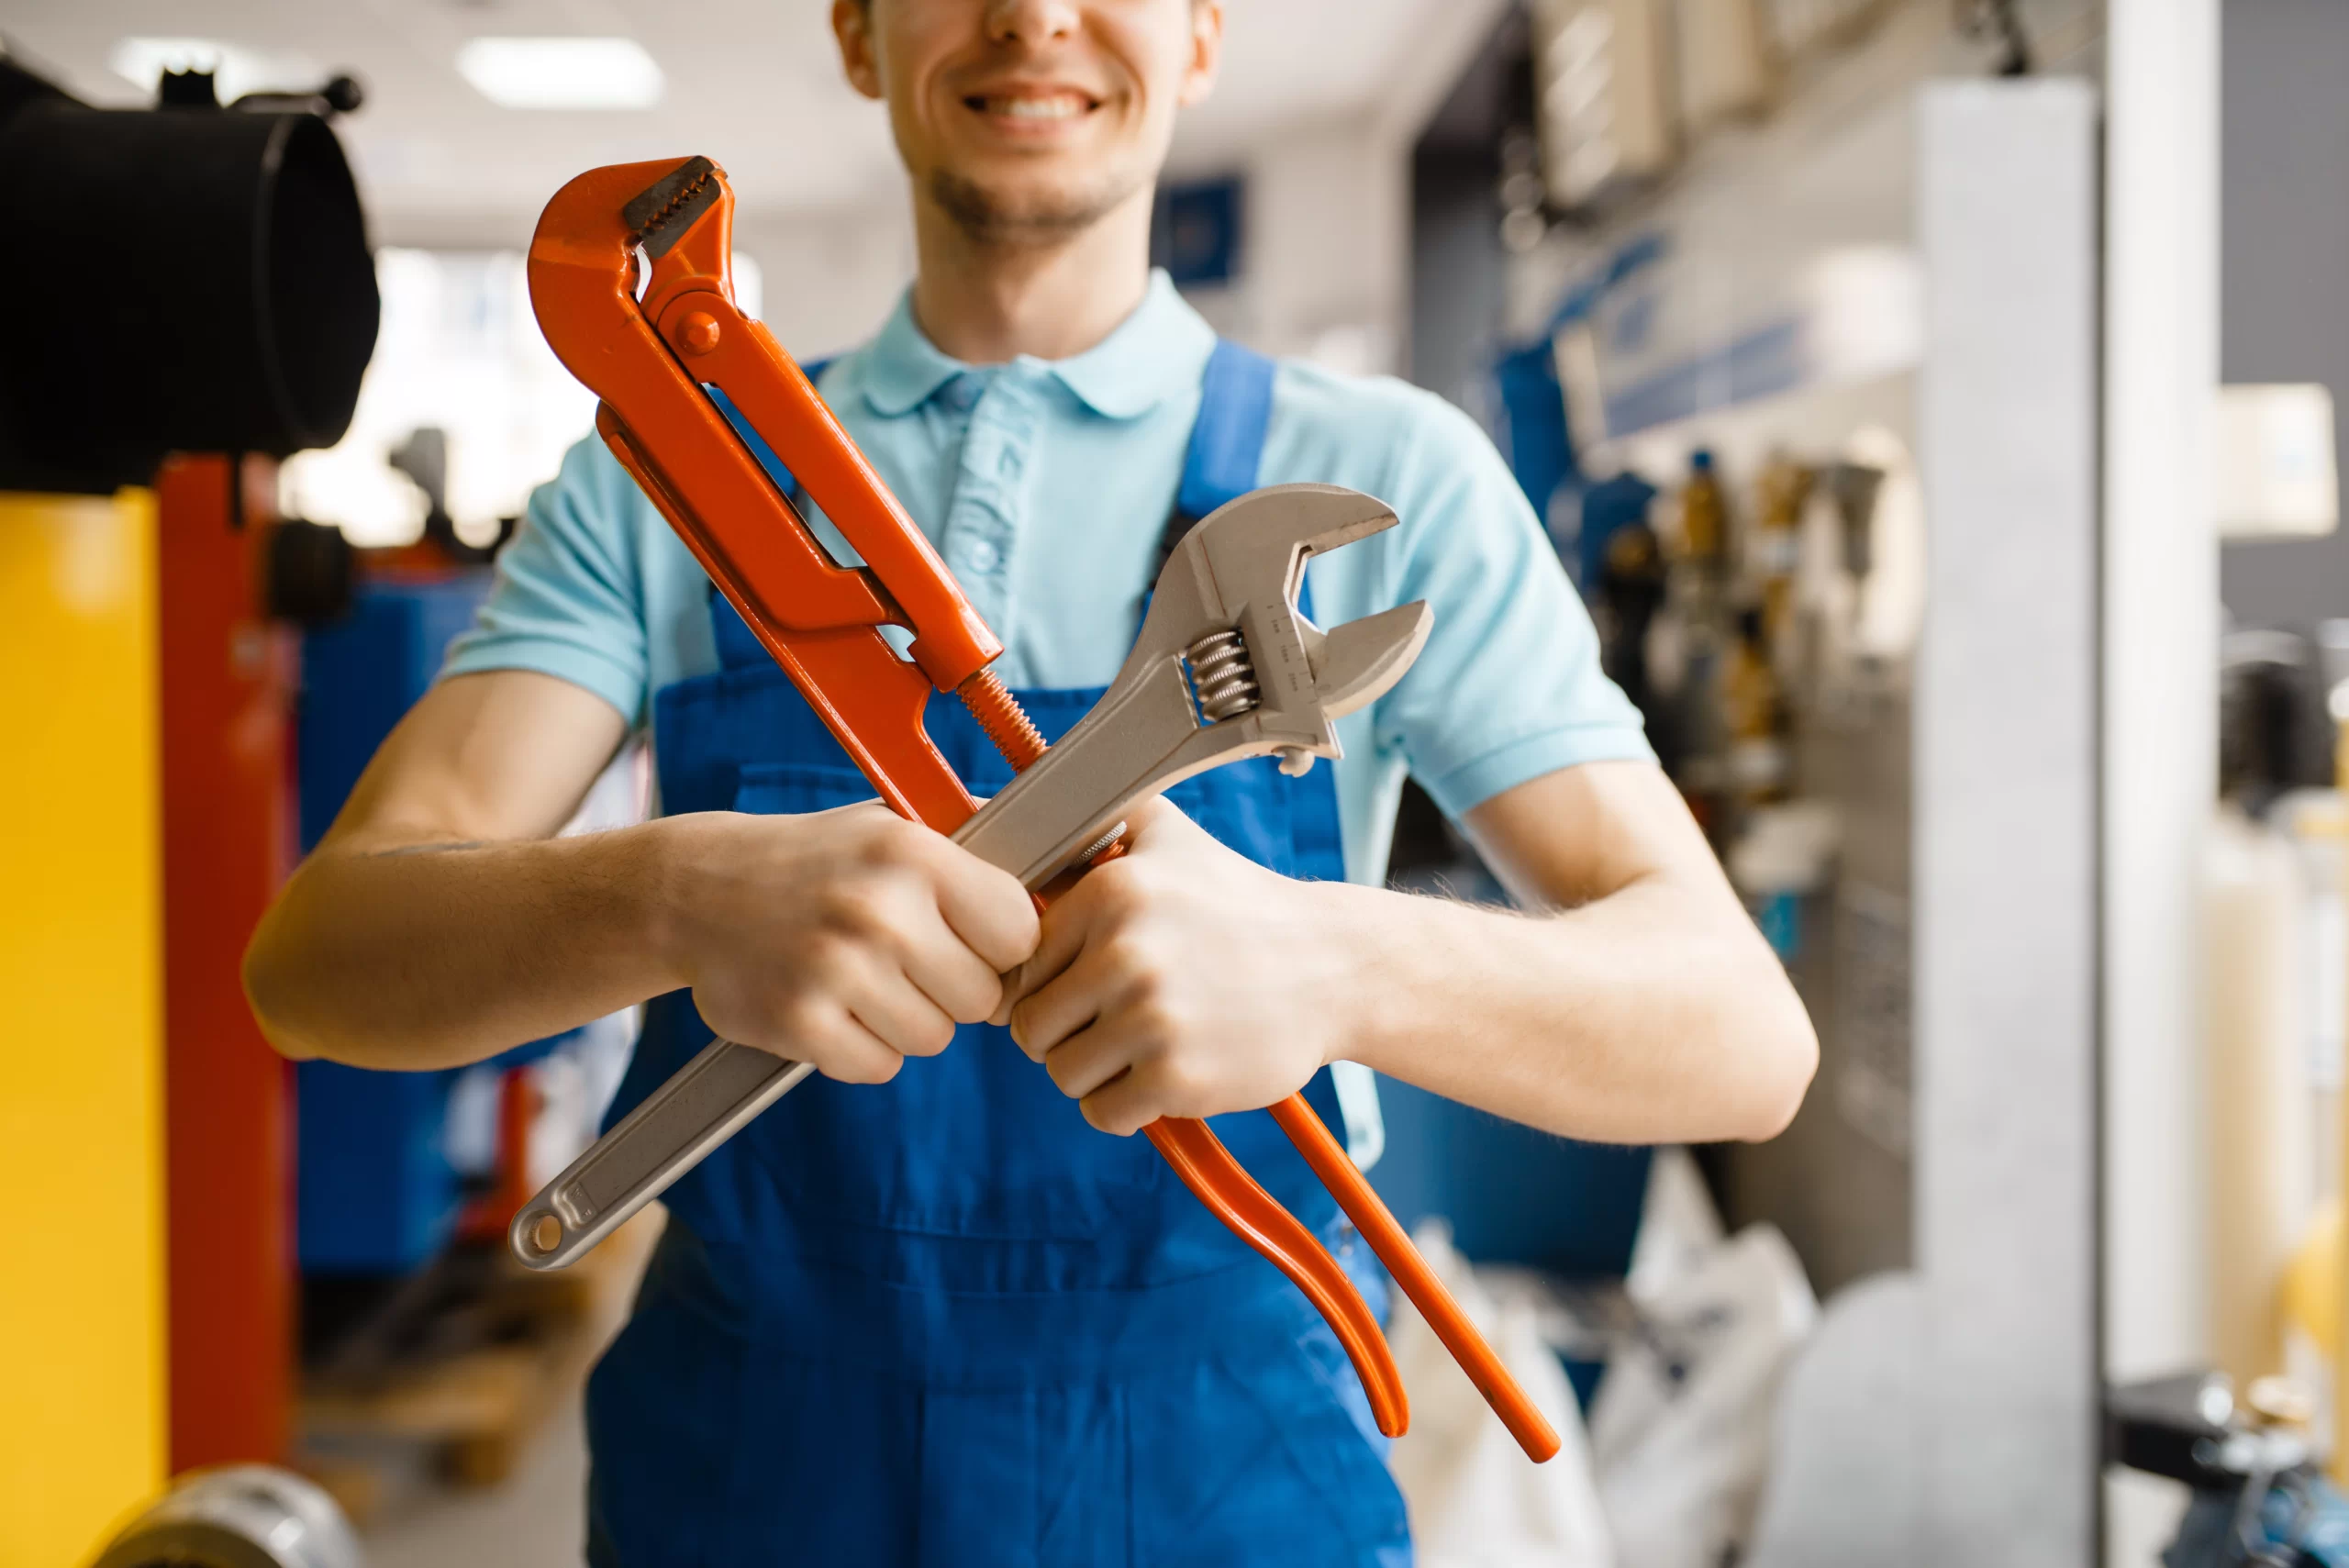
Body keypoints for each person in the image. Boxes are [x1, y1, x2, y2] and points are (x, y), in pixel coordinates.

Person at [244, 1, 1817, 1562]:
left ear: (1202, 34)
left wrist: (1333, 963)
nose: (1035, 18)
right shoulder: (657, 474)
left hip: (1227, 1481)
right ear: (858, 34)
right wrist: (670, 894)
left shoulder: (1400, 476)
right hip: (754, 1479)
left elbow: (1740, 1039)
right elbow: (319, 965)